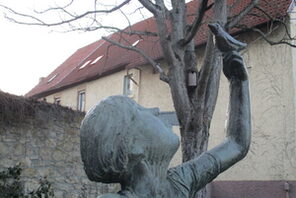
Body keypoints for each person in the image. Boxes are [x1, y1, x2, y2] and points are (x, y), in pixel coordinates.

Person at [80, 23, 251, 198]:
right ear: (133, 147)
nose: (153, 112)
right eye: (140, 110)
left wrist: (238, 82)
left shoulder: (180, 181)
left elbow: (237, 144)